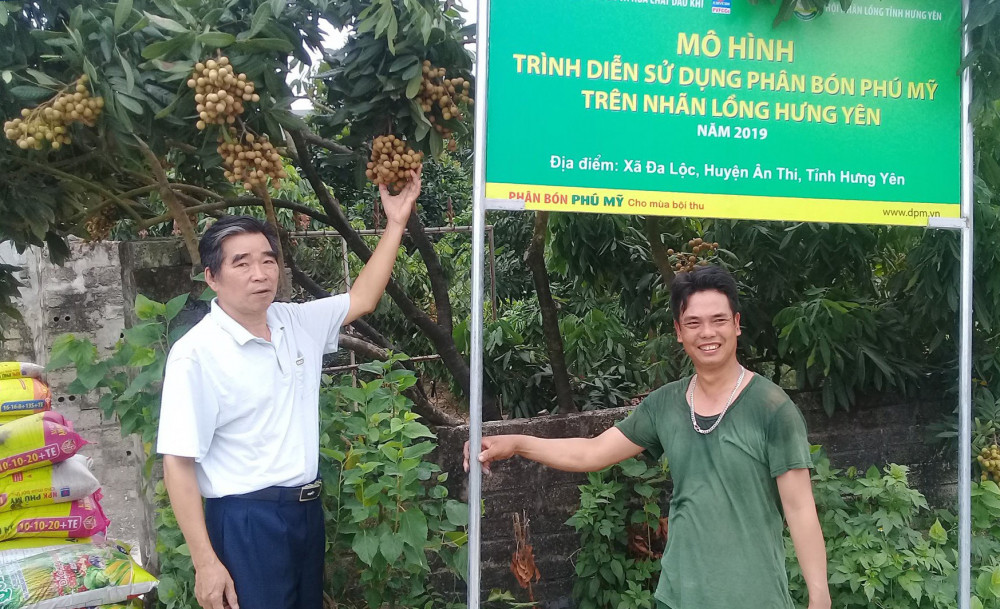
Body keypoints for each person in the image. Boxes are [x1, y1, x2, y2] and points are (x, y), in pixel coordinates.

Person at [465, 265, 831, 609]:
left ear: (736, 324)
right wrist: (514, 442)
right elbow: (592, 452)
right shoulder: (666, 404)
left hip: (753, 593)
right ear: (678, 331)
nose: (707, 333)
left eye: (718, 320)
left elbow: (800, 508)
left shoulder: (772, 408)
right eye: (694, 323)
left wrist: (820, 597)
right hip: (679, 593)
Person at [157, 168, 421, 609]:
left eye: (267, 259)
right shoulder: (196, 353)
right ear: (212, 278)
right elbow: (178, 463)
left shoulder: (294, 321)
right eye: (241, 263)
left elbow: (363, 298)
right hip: (246, 521)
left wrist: (396, 223)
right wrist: (205, 562)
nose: (260, 273)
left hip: (304, 513)